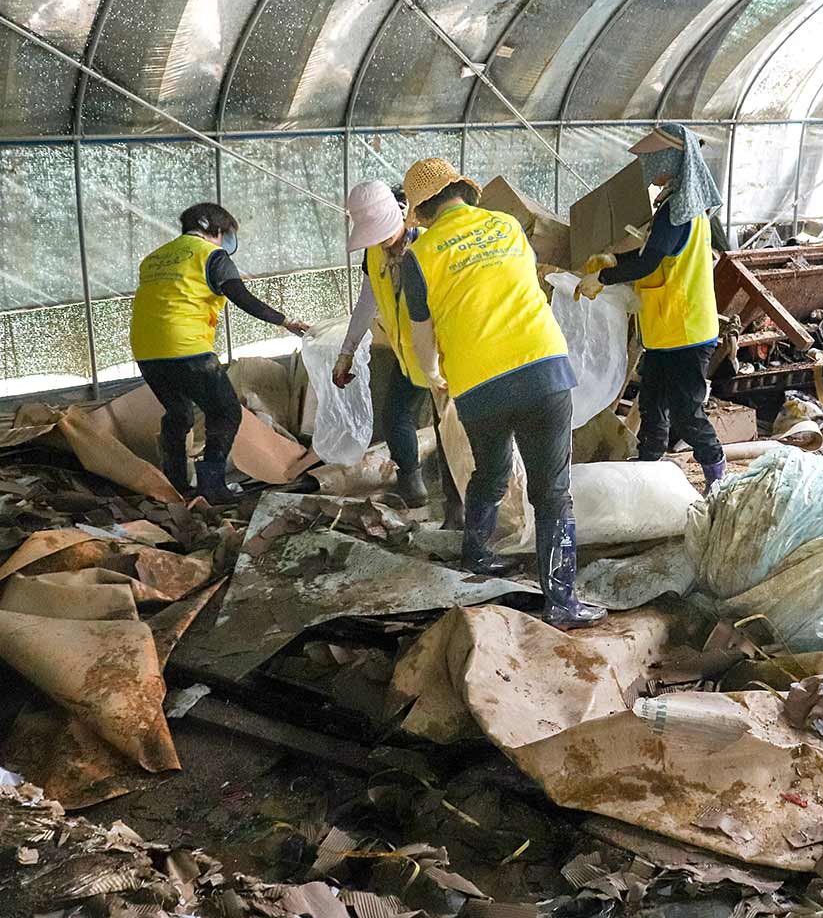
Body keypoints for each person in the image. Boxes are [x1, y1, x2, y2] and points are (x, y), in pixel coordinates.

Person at [399, 157, 605, 630]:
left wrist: (435, 375)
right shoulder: (507, 225)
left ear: (422, 213)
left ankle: (477, 556)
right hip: (541, 368)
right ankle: (563, 602)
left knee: (490, 472)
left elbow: (422, 335)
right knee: (552, 492)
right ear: (463, 193)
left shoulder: (419, 256)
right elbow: (516, 283)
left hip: (478, 384)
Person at [577, 123, 726, 492]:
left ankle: (717, 474)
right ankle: (648, 469)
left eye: (651, 159)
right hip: (666, 328)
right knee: (652, 404)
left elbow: (648, 263)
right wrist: (613, 257)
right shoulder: (678, 203)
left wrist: (603, 279)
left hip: (686, 331)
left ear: (671, 160)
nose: (646, 167)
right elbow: (649, 251)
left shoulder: (677, 210)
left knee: (686, 413)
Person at [130, 202, 310, 504]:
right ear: (213, 230)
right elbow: (240, 296)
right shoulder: (212, 256)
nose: (227, 239)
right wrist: (284, 320)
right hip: (185, 347)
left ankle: (174, 485)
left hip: (147, 350)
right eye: (226, 233)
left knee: (178, 412)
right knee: (225, 411)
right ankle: (212, 486)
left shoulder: (155, 258)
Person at [333, 181, 432, 508]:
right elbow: (367, 301)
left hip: (448, 352)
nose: (379, 241)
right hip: (409, 353)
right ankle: (412, 484)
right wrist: (346, 352)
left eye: (383, 231)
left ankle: (460, 502)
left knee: (452, 428)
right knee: (394, 416)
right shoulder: (374, 251)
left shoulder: (432, 240)